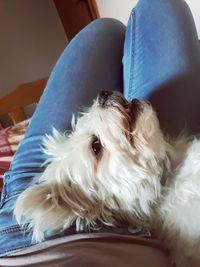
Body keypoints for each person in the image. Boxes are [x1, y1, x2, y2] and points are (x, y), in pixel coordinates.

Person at [0, 0, 200, 265]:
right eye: (96, 147)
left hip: (21, 234)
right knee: (161, 6)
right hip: (133, 214)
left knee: (103, 30)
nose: (100, 100)